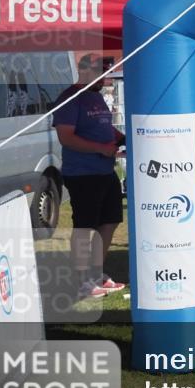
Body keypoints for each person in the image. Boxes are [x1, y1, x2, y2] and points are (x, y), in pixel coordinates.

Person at [52, 54, 127, 300]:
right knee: (86, 227)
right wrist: (100, 148)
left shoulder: (95, 96)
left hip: (106, 170)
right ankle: (82, 281)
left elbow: (105, 127)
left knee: (110, 221)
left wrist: (121, 138)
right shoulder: (70, 99)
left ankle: (96, 274)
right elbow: (66, 137)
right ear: (86, 72)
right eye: (103, 74)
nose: (106, 79)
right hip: (82, 174)